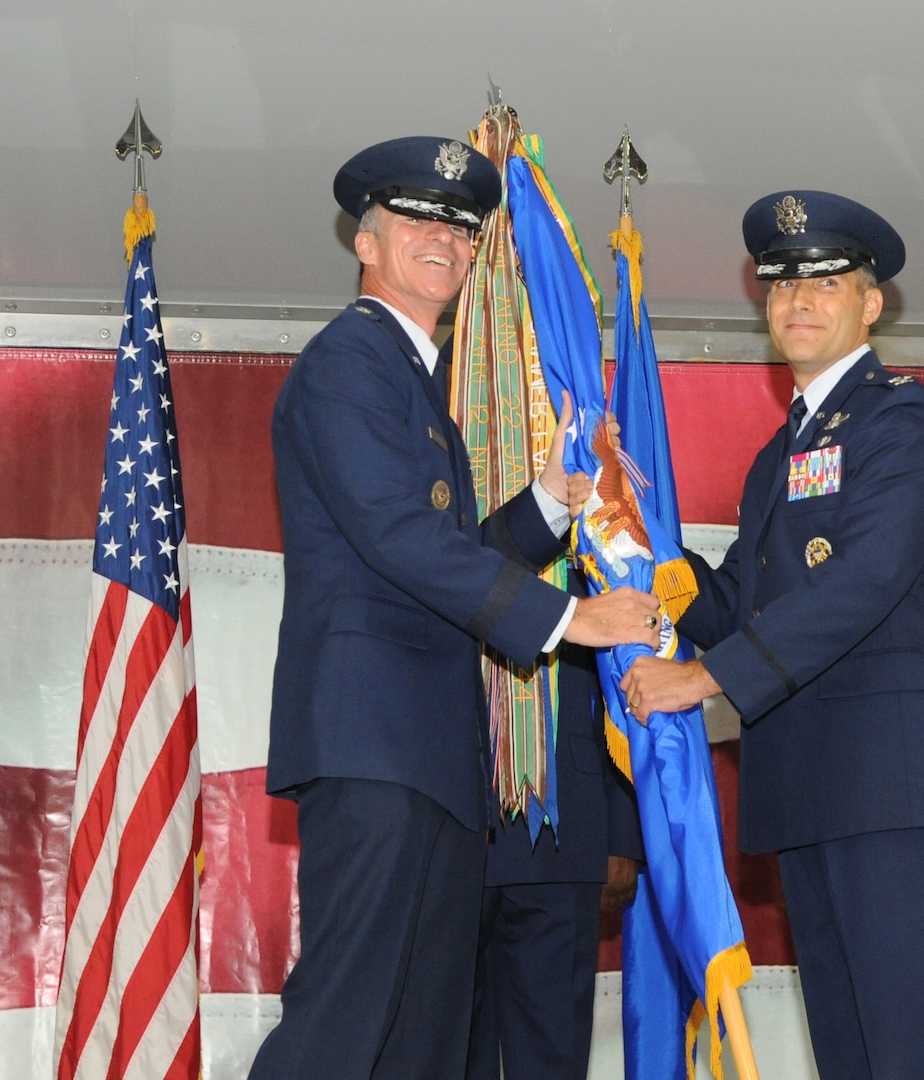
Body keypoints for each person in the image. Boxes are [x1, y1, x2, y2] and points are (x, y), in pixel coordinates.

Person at [250, 135, 660, 1080]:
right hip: (375, 746)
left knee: (420, 1038)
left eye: (461, 228)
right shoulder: (349, 362)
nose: (444, 237)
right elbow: (401, 537)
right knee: (347, 1019)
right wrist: (572, 620)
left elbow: (444, 556)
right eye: (418, 219)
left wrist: (556, 499)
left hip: (430, 763)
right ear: (366, 240)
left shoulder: (410, 384)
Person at [620, 190, 924, 1080]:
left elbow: (858, 585)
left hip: (890, 781)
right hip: (808, 789)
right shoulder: (777, 454)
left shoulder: (903, 419)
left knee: (920, 1056)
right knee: (852, 1059)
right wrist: (644, 551)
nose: (798, 298)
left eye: (827, 281)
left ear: (871, 304)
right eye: (781, 281)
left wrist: (701, 680)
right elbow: (742, 601)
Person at [465, 562, 643, 1080]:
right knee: (442, 1053)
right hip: (455, 818)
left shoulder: (589, 488)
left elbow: (623, 674)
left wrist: (621, 831)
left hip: (568, 821)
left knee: (553, 1060)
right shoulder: (445, 483)